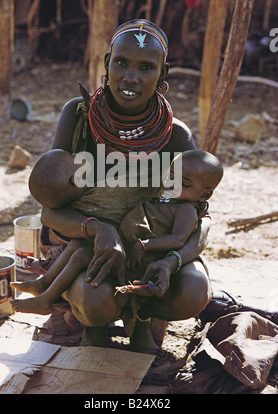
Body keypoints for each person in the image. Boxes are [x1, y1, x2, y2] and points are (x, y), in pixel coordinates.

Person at [17, 19, 213, 352]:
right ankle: (92, 320)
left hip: (149, 254)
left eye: (146, 67)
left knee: (194, 289)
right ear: (107, 62)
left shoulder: (175, 135)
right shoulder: (78, 117)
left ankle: (144, 318)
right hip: (86, 250)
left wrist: (171, 261)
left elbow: (201, 219)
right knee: (95, 300)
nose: (131, 77)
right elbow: (49, 206)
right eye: (121, 62)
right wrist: (97, 228)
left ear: (162, 74)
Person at [11, 149, 223, 320]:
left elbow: (185, 234)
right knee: (77, 248)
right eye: (170, 175)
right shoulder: (171, 197)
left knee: (82, 256)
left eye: (182, 182)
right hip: (118, 242)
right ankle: (43, 285)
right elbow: (49, 200)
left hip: (140, 256)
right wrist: (99, 228)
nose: (171, 182)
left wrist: (157, 252)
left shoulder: (185, 205)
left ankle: (47, 300)